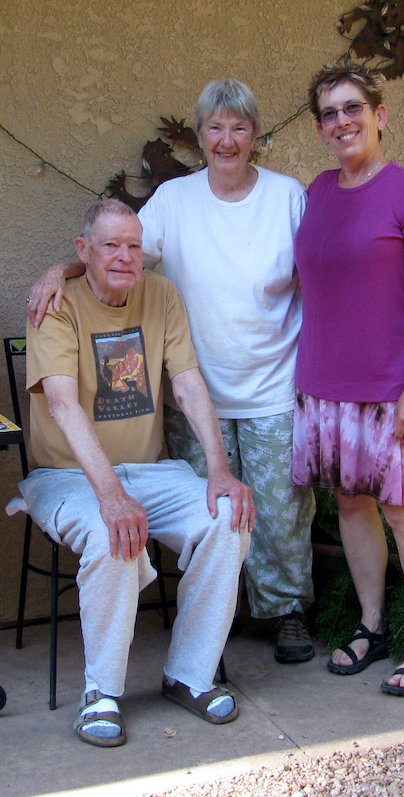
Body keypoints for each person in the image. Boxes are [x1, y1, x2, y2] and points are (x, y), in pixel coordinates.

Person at [29, 79, 318, 665]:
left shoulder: (287, 196)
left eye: (239, 128)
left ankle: (285, 612)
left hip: (272, 383)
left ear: (255, 136)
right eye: (215, 128)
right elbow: (118, 250)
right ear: (200, 135)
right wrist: (60, 270)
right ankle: (220, 618)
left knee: (280, 512)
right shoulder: (174, 200)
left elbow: (319, 274)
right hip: (196, 393)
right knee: (214, 513)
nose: (226, 140)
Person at [12, 198, 254, 748]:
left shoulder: (161, 295)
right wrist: (112, 496)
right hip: (67, 477)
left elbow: (186, 384)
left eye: (134, 246)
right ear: (83, 251)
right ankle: (101, 693)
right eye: (110, 245)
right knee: (111, 532)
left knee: (227, 518)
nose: (125, 257)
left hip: (151, 471)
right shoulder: (55, 302)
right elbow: (62, 404)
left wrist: (219, 470)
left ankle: (190, 676)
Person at [292, 61, 404, 696]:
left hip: (392, 388)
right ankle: (372, 625)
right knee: (351, 505)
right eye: (329, 113)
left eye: (353, 108)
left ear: (379, 115)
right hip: (325, 385)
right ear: (319, 127)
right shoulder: (318, 191)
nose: (342, 121)